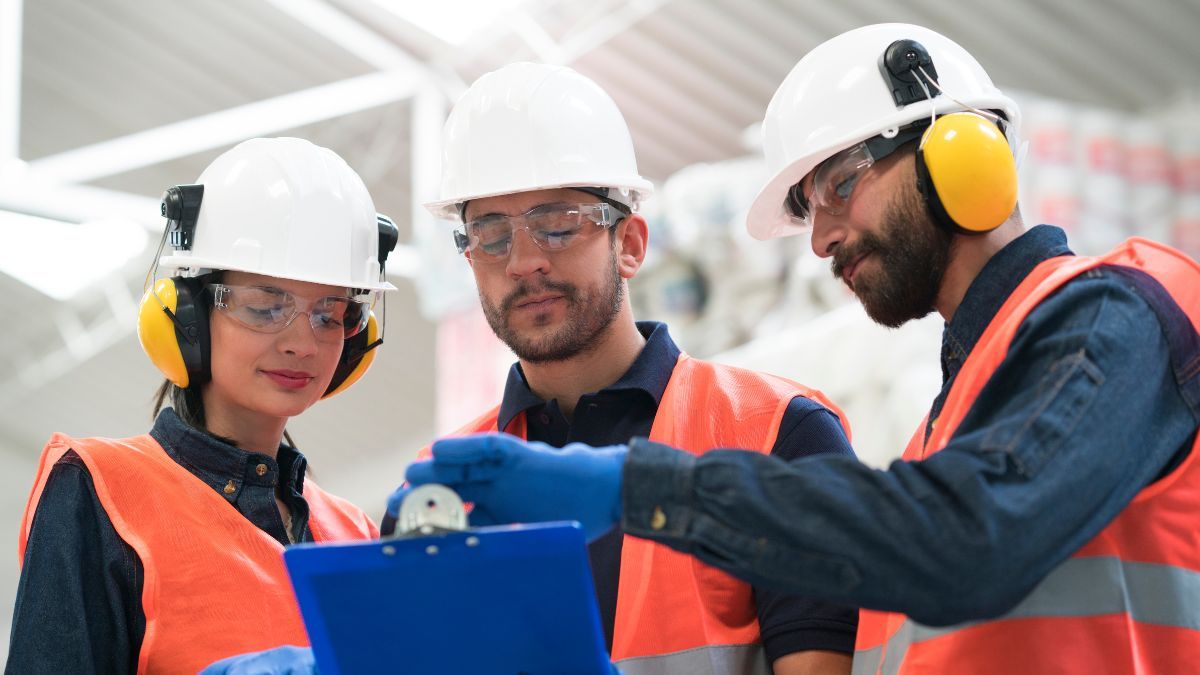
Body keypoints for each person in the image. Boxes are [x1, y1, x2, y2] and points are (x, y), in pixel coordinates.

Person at [401, 24, 1200, 674]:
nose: (819, 236)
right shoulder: (948, 426)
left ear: (961, 147)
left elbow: (969, 537)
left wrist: (631, 484)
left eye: (840, 184)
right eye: (807, 205)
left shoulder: (1112, 312)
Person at [387, 61, 859, 674]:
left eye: (557, 226)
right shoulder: (435, 496)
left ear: (630, 244)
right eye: (491, 235)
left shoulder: (780, 435)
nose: (524, 261)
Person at [9, 137, 398, 673]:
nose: (302, 344)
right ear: (188, 317)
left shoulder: (356, 535)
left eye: (330, 315)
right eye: (265, 307)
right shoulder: (100, 489)